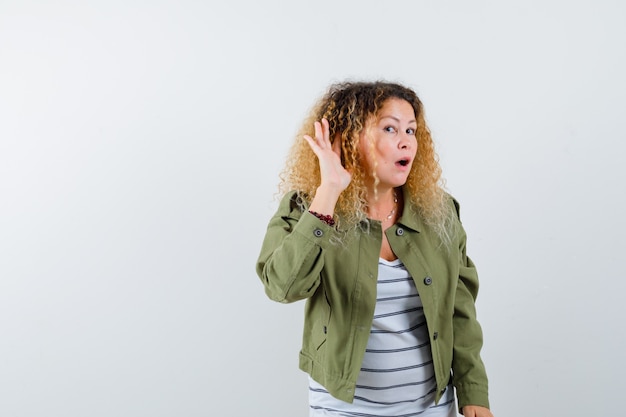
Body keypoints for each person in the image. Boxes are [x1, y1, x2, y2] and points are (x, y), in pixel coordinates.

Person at [256, 81, 493, 417]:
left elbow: (460, 312)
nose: (405, 140)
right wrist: (329, 193)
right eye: (390, 128)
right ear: (350, 138)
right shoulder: (306, 208)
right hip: (343, 407)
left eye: (411, 130)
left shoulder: (439, 213)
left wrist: (474, 394)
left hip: (430, 407)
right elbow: (282, 287)